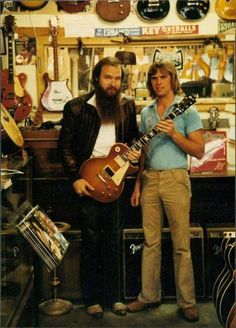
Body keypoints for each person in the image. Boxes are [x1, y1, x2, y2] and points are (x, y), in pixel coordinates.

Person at [58, 56, 140, 318]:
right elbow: (66, 146)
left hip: (116, 184)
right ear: (96, 79)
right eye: (108, 77)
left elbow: (132, 139)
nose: (113, 83)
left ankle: (113, 297)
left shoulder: (127, 105)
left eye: (117, 78)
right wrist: (75, 178)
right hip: (89, 182)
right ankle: (92, 298)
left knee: (113, 240)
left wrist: (136, 153)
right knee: (92, 241)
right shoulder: (76, 107)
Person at [127, 61, 205, 323]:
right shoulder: (147, 112)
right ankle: (149, 295)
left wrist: (174, 134)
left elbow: (199, 150)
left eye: (163, 77)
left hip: (175, 179)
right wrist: (138, 182)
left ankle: (188, 302)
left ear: (173, 79)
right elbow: (144, 149)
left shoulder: (187, 110)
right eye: (154, 78)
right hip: (149, 179)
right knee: (151, 242)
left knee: (181, 245)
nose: (158, 81)